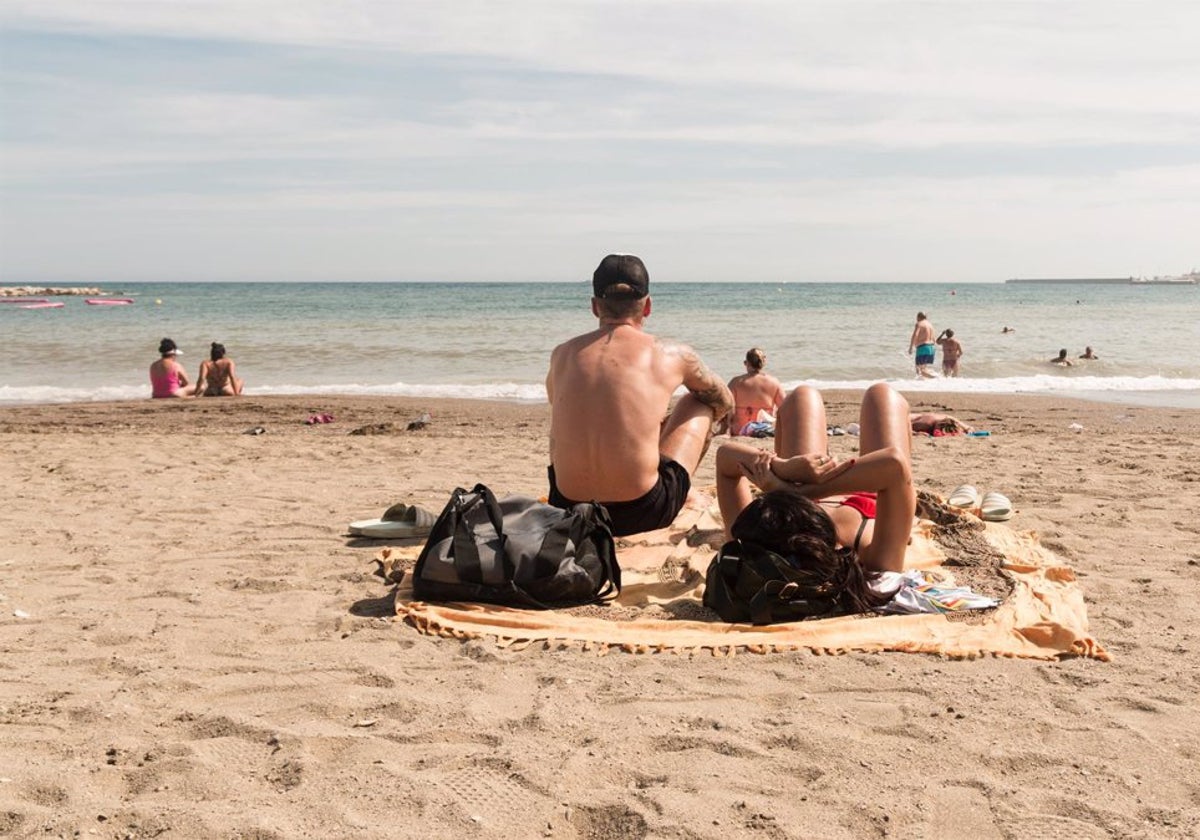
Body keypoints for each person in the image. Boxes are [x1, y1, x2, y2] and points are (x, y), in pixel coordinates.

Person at [546, 254, 734, 537]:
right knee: (698, 402)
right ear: (647, 307)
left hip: (569, 509)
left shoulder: (562, 353)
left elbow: (562, 405)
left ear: (595, 307)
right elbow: (724, 400)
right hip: (641, 512)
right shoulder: (672, 353)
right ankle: (682, 491)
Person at [715, 383, 916, 599]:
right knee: (883, 395)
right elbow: (895, 466)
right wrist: (794, 492)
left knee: (802, 396)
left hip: (803, 484)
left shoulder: (754, 545)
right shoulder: (873, 561)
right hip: (877, 488)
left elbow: (725, 458)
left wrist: (785, 467)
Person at [726, 348, 785, 436]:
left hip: (740, 430)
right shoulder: (773, 382)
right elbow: (785, 408)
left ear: (746, 363)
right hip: (765, 429)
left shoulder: (735, 382)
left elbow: (725, 408)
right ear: (764, 362)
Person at [908, 312, 937, 378]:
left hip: (923, 347)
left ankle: (935, 378)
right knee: (923, 368)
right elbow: (934, 338)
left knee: (919, 370)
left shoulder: (919, 324)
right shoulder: (930, 325)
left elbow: (915, 335)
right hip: (931, 348)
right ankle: (925, 383)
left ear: (918, 317)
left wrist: (911, 347)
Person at [909, 412, 973, 435]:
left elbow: (969, 428)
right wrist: (915, 433)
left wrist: (968, 430)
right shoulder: (926, 424)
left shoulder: (949, 419)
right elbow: (903, 427)